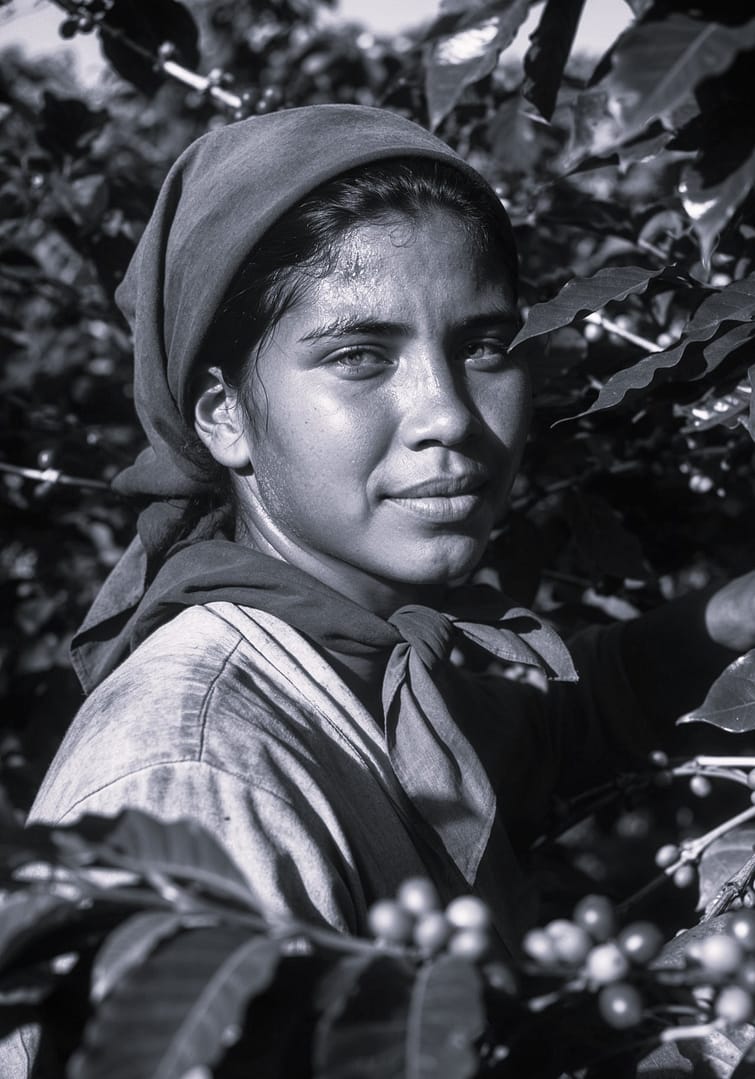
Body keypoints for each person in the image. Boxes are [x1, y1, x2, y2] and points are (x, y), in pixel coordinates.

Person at [20, 105, 755, 953]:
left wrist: (731, 618)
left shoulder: (385, 657)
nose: (447, 414)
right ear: (224, 416)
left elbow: (559, 713)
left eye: (483, 346)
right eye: (359, 356)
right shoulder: (195, 785)